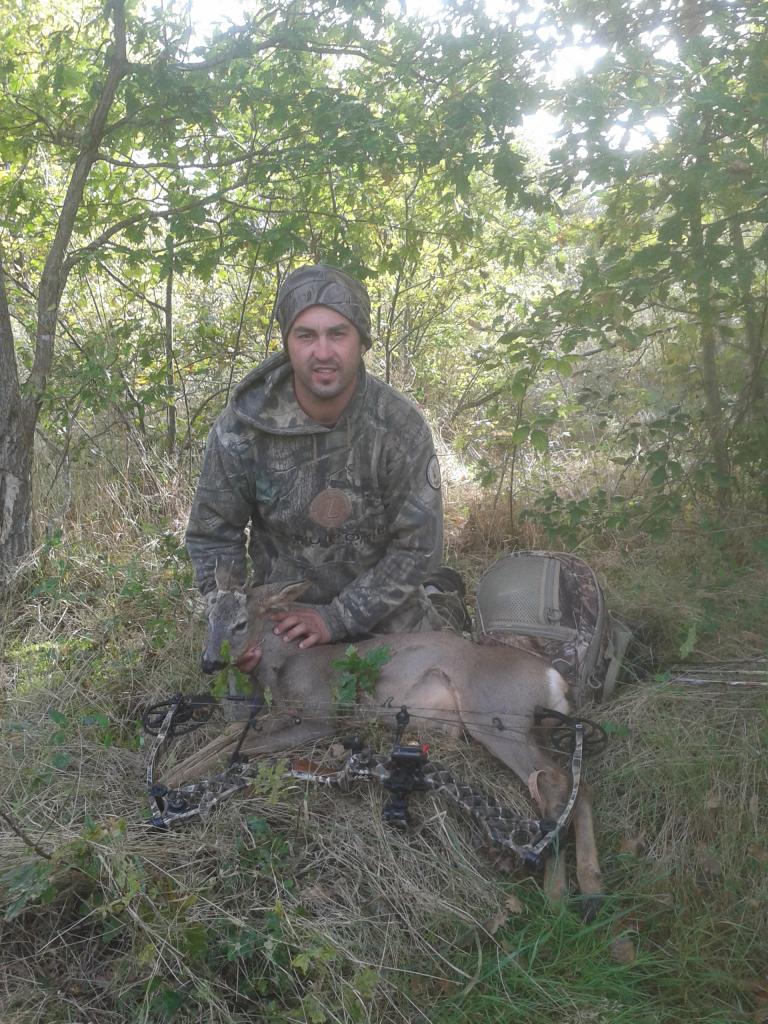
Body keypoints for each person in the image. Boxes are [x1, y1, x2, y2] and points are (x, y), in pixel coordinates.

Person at [186, 264, 465, 671]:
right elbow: (212, 536)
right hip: (280, 615)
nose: (322, 352)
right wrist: (233, 622)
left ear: (362, 341)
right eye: (305, 335)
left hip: (380, 609)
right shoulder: (241, 428)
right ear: (287, 342)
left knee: (433, 697)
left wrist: (337, 618)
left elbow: (418, 548)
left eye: (338, 333)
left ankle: (442, 598)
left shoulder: (399, 427)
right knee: (253, 716)